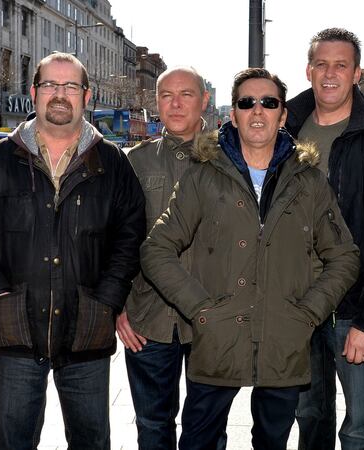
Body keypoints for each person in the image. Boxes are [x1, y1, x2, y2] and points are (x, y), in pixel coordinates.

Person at [140, 68, 360, 450]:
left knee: (272, 442)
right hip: (217, 342)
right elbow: (156, 248)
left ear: (282, 115)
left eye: (269, 102)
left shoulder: (308, 182)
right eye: (247, 102)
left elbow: (344, 256)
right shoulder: (202, 176)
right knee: (198, 441)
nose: (257, 111)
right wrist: (200, 310)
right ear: (234, 114)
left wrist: (308, 313)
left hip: (282, 344)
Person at [0, 52, 146, 450]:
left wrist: (106, 301)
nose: (60, 94)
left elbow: (129, 239)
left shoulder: (112, 164)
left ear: (87, 96)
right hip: (17, 332)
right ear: (34, 93)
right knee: (14, 442)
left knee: (92, 440)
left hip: (87, 332)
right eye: (50, 85)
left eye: (71, 86)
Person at [285, 27, 364, 449]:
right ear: (308, 71)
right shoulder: (284, 135)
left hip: (353, 311)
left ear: (356, 74)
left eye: (341, 65)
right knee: (309, 418)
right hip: (297, 309)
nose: (330, 73)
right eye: (322, 64)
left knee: (362, 428)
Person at [115, 66, 211, 450]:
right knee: (153, 426)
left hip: (211, 322)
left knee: (206, 431)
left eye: (186, 94)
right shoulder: (136, 162)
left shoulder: (229, 158)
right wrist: (118, 308)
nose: (175, 104)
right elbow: (117, 239)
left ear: (204, 100)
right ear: (156, 102)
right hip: (148, 321)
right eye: (166, 95)